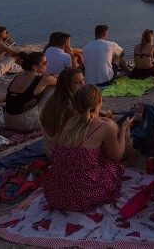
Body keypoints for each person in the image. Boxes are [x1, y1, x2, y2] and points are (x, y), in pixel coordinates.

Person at [43, 84, 129, 212]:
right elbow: (117, 157)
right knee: (111, 162)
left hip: (56, 195)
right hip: (85, 197)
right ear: (99, 101)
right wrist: (123, 131)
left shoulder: (71, 121)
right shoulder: (107, 126)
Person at [4, 52, 57, 132]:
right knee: (54, 87)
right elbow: (62, 80)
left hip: (8, 121)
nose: (47, 64)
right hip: (27, 123)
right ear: (35, 67)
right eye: (45, 63)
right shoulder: (44, 79)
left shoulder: (18, 76)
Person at [40, 68, 84, 157]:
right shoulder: (71, 107)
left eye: (83, 80)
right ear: (66, 86)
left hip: (49, 150)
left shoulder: (52, 100)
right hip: (63, 156)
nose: (83, 84)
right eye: (77, 83)